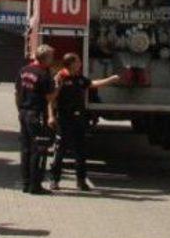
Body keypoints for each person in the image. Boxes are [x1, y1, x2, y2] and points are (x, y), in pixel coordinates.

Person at [50, 53, 122, 191]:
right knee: (60, 150)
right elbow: (52, 98)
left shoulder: (79, 78)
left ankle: (81, 181)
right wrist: (51, 116)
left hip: (79, 118)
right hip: (64, 118)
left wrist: (111, 80)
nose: (80, 64)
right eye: (77, 61)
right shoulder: (61, 77)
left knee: (81, 151)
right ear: (71, 63)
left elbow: (92, 84)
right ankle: (54, 180)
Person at [15, 44, 57, 195]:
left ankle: (25, 184)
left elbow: (17, 92)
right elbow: (50, 98)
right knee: (37, 150)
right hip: (36, 114)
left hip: (24, 112)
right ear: (45, 58)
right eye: (51, 57)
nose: (52, 60)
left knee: (25, 149)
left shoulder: (24, 70)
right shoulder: (44, 75)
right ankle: (35, 185)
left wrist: (20, 110)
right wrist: (57, 85)